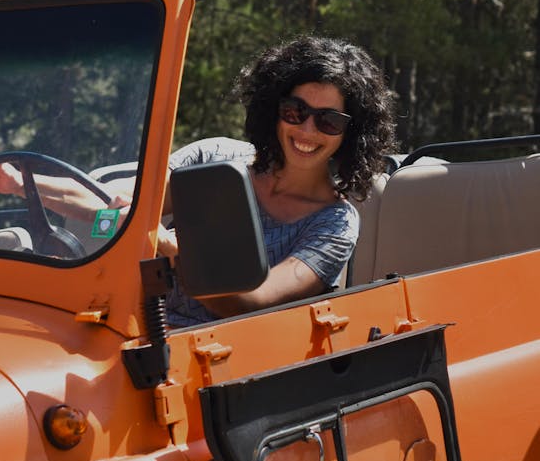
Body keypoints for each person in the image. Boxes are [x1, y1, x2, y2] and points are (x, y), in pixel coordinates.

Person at [164, 35, 397, 327]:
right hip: (129, 336)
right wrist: (105, 210)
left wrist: (177, 253)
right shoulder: (213, 157)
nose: (307, 130)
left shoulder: (335, 224)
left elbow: (251, 304)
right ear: (274, 109)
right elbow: (130, 201)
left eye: (329, 121)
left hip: (218, 357)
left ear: (350, 134)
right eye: (295, 111)